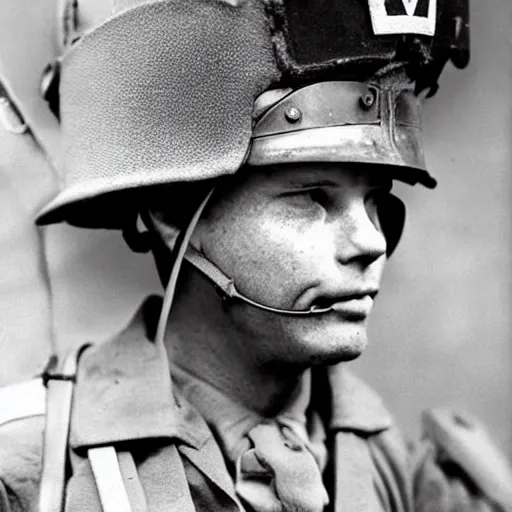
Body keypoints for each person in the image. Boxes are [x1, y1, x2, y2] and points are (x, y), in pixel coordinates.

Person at [1, 0, 512, 511]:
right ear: (173, 213)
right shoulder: (28, 474)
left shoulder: (419, 483)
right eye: (313, 196)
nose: (371, 242)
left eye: (378, 199)